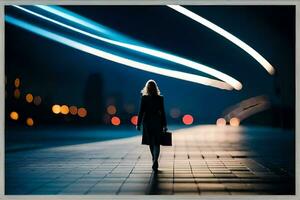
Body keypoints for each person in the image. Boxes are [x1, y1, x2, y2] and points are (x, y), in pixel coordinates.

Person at [136, 80, 167, 172]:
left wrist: (138, 124)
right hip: (157, 122)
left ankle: (154, 159)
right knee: (156, 142)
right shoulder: (160, 98)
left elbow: (141, 112)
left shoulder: (144, 98)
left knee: (151, 143)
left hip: (147, 123)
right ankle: (155, 160)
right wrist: (165, 124)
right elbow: (163, 112)